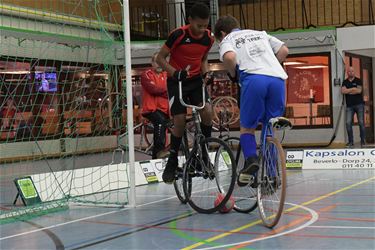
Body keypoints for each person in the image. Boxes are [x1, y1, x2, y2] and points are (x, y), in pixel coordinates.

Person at [214, 15, 289, 186]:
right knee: (269, 127)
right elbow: (284, 50)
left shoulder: (228, 39)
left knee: (247, 128)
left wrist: (234, 74)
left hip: (253, 79)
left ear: (223, 33)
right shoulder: (260, 33)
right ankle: (272, 176)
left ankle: (251, 161)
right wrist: (270, 66)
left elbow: (230, 58)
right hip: (277, 80)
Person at [156, 2, 215, 184]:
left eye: (205, 26)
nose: (202, 30)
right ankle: (172, 160)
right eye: (199, 25)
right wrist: (174, 72)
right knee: (179, 120)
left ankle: (204, 153)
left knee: (207, 111)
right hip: (176, 80)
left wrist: (206, 72)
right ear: (189, 20)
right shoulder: (178, 35)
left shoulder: (208, 38)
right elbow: (159, 58)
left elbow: (203, 58)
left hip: (195, 80)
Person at [141, 53, 170, 159]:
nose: (158, 64)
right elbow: (153, 89)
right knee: (160, 121)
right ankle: (158, 152)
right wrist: (168, 91)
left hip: (165, 110)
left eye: (160, 62)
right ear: (152, 63)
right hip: (150, 109)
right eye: (156, 62)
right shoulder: (146, 74)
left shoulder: (167, 75)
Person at [341, 67, 366, 148]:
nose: (351, 72)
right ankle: (351, 141)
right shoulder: (345, 82)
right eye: (349, 71)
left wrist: (349, 90)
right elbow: (343, 91)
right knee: (348, 123)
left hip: (359, 105)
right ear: (347, 73)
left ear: (354, 72)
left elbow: (359, 91)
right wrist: (353, 89)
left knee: (361, 123)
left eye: (352, 71)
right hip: (349, 106)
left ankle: (363, 140)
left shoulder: (358, 80)